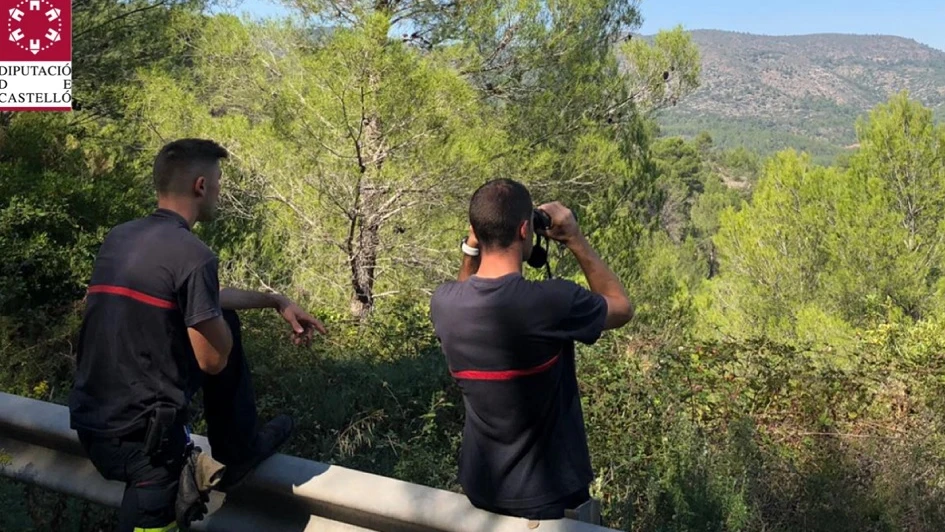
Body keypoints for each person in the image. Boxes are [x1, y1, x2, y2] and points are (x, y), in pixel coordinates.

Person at [68, 138, 327, 532]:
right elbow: (212, 360)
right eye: (219, 181)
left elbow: (200, 299)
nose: (221, 192)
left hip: (92, 423)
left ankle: (239, 448)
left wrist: (274, 300)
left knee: (219, 315)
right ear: (201, 186)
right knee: (224, 329)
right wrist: (220, 328)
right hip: (148, 449)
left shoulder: (120, 239)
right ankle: (238, 451)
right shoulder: (194, 254)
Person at [429, 178, 633, 522]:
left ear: (476, 232)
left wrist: (470, 248)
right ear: (526, 230)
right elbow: (621, 307)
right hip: (553, 500)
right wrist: (574, 238)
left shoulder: (444, 304)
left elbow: (466, 292)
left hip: (481, 493)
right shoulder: (553, 301)